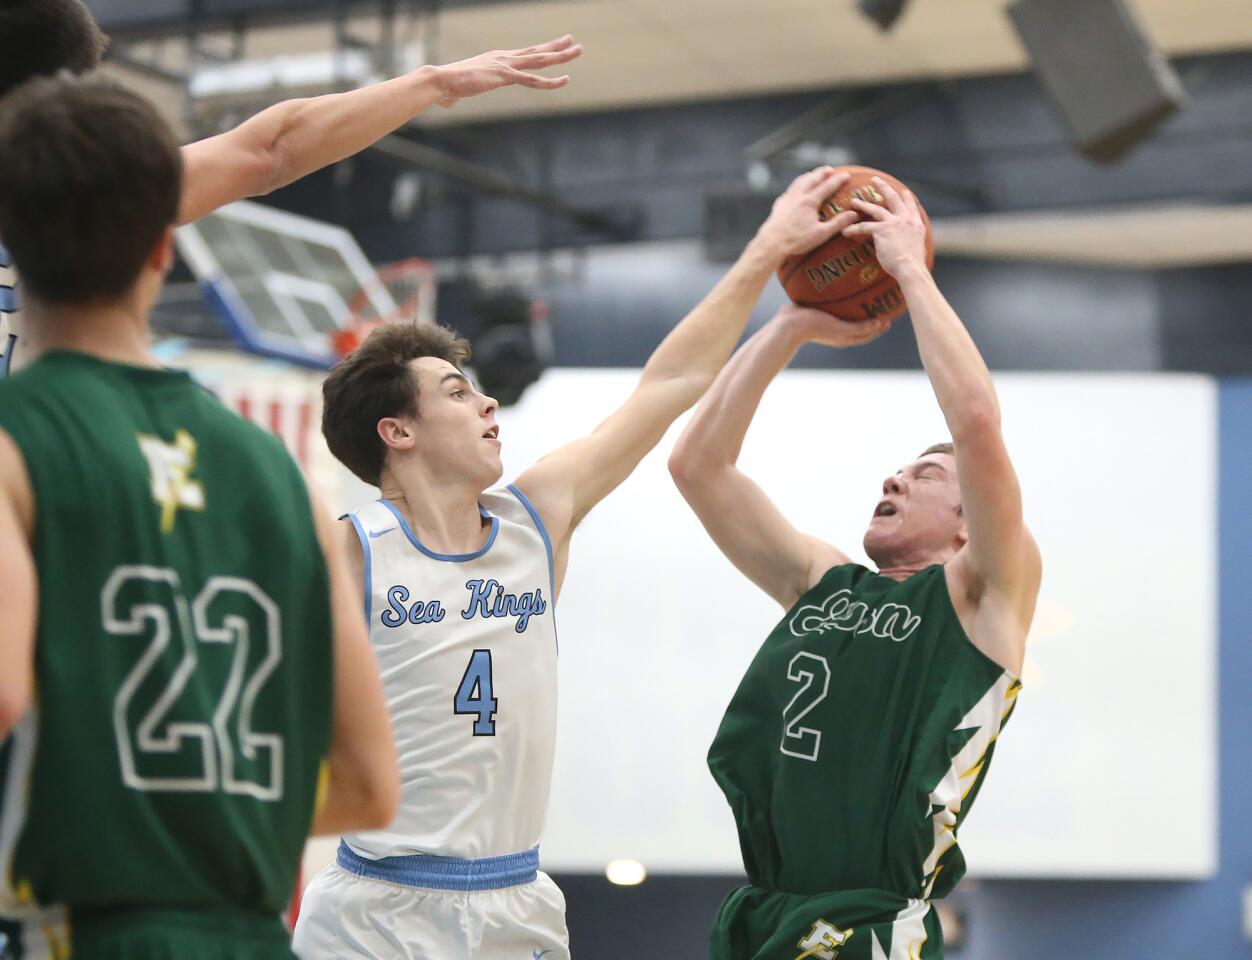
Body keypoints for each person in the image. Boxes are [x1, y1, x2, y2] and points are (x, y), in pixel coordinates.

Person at [291, 167, 863, 959]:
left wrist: (769, 249)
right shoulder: (352, 549)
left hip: (514, 900)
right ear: (398, 432)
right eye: (458, 393)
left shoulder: (537, 516)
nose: (489, 404)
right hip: (377, 908)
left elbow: (673, 382)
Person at [0, 76, 399, 959]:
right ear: (162, 252)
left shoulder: (13, 443)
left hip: (83, 930)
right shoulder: (281, 474)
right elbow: (372, 787)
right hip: (251, 935)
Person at [668, 177, 1042, 959]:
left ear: (970, 527)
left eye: (924, 476)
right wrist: (789, 327)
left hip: (870, 920)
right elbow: (698, 464)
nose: (893, 479)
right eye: (897, 470)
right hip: (764, 912)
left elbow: (974, 422)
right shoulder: (822, 581)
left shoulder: (982, 596)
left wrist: (910, 270)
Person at [0, 0, 583, 376]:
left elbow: (271, 149)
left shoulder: (69, 183)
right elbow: (270, 149)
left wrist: (429, 82)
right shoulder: (80, 191)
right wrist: (430, 82)